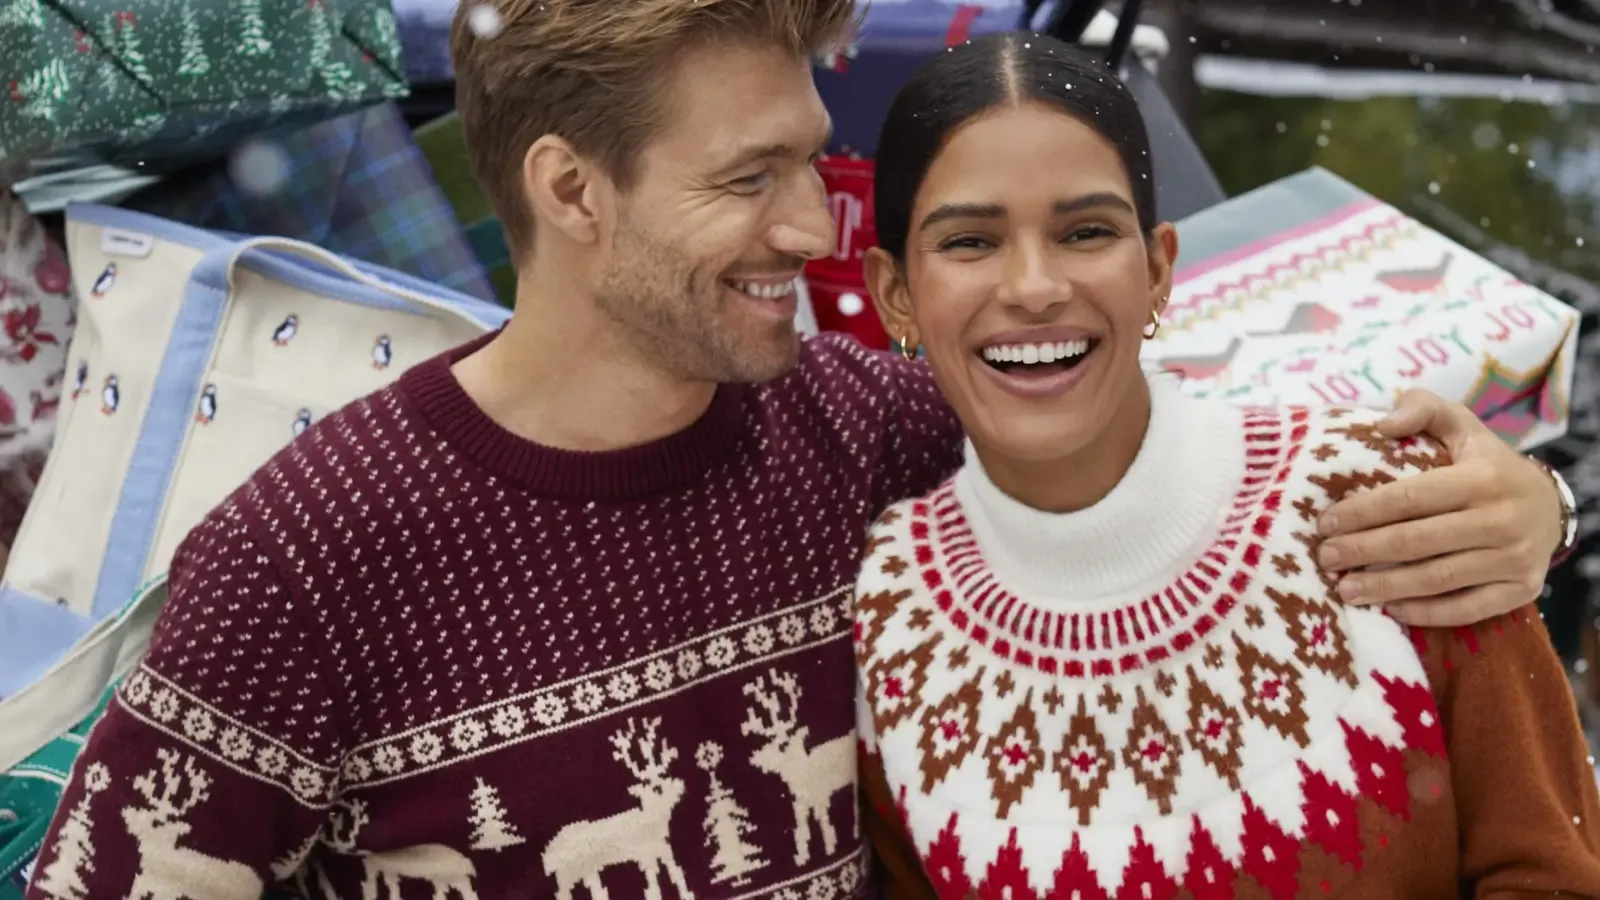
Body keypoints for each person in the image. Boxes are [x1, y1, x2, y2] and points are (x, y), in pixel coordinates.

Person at [23, 2, 1573, 898]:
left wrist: (1522, 500)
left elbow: (1124, 401)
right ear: (571, 192)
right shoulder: (305, 561)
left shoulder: (853, 433)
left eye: (814, 161)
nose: (809, 226)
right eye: (750, 177)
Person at [852, 33, 1600, 899]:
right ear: (894, 292)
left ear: (1160, 269)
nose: (1032, 286)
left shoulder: (1389, 504)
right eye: (970, 242)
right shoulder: (883, 625)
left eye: (1085, 231)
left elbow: (1556, 872)